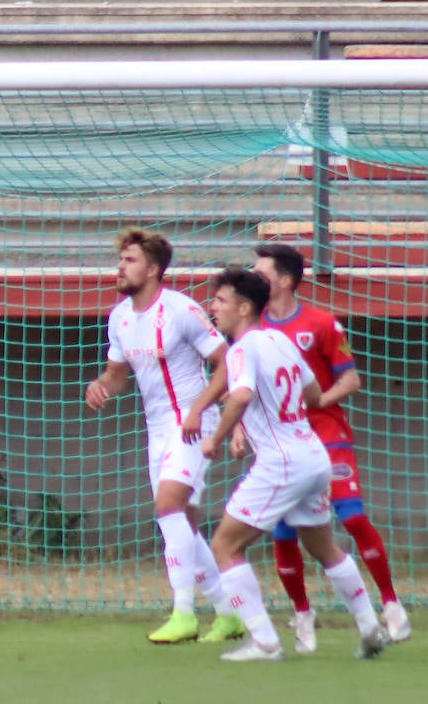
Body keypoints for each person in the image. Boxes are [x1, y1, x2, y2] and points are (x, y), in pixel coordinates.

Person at [197, 266, 389, 662]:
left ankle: (265, 642)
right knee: (324, 546)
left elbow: (243, 394)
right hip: (312, 453)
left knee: (224, 544)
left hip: (281, 461)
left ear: (245, 307)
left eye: (220, 300)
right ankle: (370, 628)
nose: (214, 307)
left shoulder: (242, 349)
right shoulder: (281, 341)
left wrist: (216, 437)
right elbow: (314, 392)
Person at [84, 228, 242, 644]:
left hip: (193, 423)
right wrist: (100, 385)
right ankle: (228, 613)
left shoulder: (182, 310)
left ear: (153, 269)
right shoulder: (118, 317)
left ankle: (183, 613)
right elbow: (116, 375)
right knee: (182, 525)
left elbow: (227, 362)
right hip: (156, 430)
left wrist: (200, 408)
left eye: (130, 260)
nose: (121, 266)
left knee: (168, 506)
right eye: (120, 259)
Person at [251, 242, 409, 651]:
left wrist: (320, 400)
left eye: (261, 273)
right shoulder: (255, 332)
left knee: (352, 517)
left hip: (327, 436)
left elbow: (351, 379)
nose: (254, 279)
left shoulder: (321, 324)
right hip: (284, 444)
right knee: (284, 531)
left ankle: (391, 605)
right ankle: (303, 615)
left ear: (284, 280)